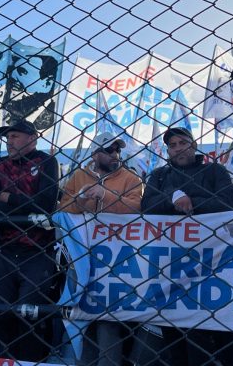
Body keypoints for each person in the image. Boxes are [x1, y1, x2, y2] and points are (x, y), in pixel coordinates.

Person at [141, 126, 233, 366]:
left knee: (202, 334)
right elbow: (147, 206)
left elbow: (226, 204)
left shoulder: (215, 170)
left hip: (209, 261)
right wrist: (174, 197)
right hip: (168, 262)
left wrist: (190, 200)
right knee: (171, 333)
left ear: (193, 144)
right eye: (172, 145)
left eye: (182, 143)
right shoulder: (159, 175)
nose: (177, 149)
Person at [59, 132, 143, 366]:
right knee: (83, 322)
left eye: (117, 149)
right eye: (109, 150)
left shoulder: (131, 178)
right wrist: (81, 199)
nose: (115, 154)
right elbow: (63, 208)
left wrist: (106, 195)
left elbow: (137, 208)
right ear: (95, 154)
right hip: (83, 258)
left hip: (117, 260)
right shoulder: (79, 176)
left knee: (109, 323)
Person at [0, 119, 58, 362]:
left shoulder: (46, 161)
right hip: (3, 248)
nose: (9, 141)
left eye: (15, 136)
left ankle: (30, 360)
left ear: (32, 138)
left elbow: (46, 202)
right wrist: (25, 206)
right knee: (2, 314)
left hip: (37, 250)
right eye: (8, 137)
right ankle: (4, 359)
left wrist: (8, 198)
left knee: (30, 314)